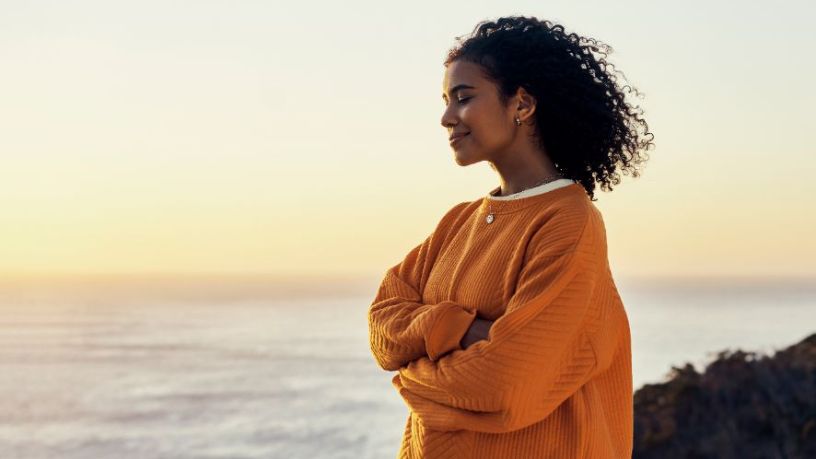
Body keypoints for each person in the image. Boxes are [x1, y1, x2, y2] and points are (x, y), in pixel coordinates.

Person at [368, 15, 653, 458]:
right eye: (445, 100)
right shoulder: (457, 223)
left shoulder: (568, 221)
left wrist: (413, 372)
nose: (446, 117)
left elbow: (506, 383)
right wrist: (463, 329)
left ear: (521, 104)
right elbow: (382, 327)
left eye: (463, 98)